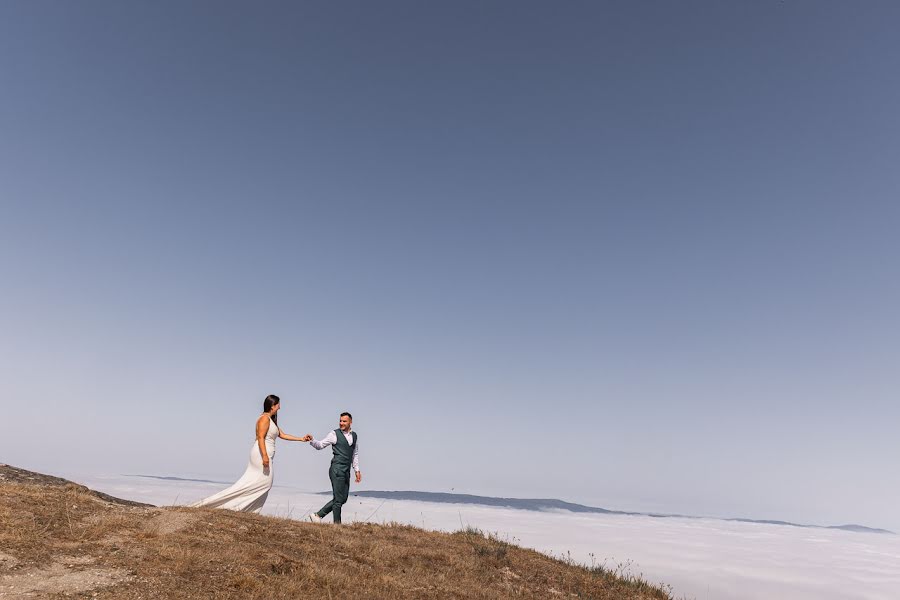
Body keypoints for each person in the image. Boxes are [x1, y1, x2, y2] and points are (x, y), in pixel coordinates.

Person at [190, 394, 311, 513]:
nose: (280, 407)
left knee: (256, 483)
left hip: (264, 454)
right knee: (264, 483)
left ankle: (243, 509)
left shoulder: (271, 420)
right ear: (272, 406)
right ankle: (231, 507)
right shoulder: (264, 419)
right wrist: (264, 456)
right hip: (261, 454)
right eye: (278, 405)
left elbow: (282, 435)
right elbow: (261, 438)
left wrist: (301, 439)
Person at [307, 412, 360, 524]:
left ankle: (318, 515)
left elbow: (354, 453)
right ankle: (337, 525)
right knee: (338, 499)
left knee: (343, 498)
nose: (341, 423)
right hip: (336, 469)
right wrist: (312, 440)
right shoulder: (334, 434)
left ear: (350, 422)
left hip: (346, 470)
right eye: (340, 421)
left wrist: (357, 470)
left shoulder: (354, 436)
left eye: (344, 421)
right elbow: (320, 445)